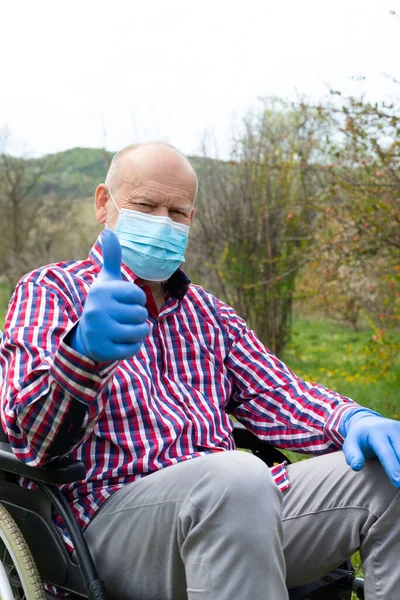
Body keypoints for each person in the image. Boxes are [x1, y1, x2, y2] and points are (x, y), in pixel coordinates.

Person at [0, 142, 399, 600]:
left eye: (177, 213)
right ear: (103, 203)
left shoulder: (210, 315)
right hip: (110, 527)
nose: (162, 223)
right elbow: (34, 440)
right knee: (236, 477)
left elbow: (281, 395)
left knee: (388, 476)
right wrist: (84, 357)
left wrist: (354, 419)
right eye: (145, 206)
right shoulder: (50, 289)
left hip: (237, 503)